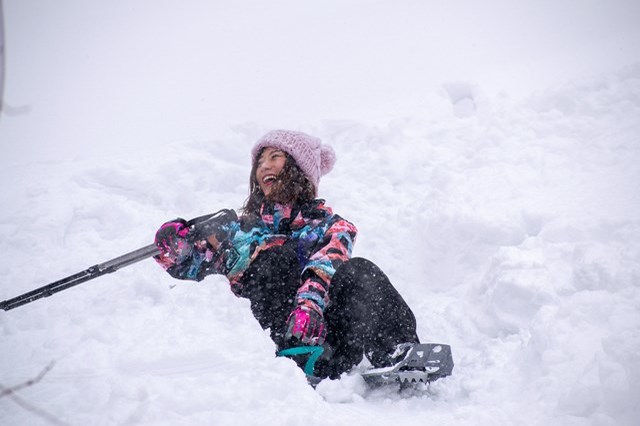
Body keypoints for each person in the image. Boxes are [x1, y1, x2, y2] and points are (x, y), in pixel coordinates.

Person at [153, 129, 420, 380]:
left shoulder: (333, 227)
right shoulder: (240, 230)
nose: (264, 167)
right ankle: (287, 353)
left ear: (297, 168)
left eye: (274, 157)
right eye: (259, 162)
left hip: (326, 342)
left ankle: (399, 353)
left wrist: (308, 306)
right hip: (267, 345)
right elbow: (195, 265)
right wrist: (178, 245)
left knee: (360, 269)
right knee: (271, 259)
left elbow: (325, 266)